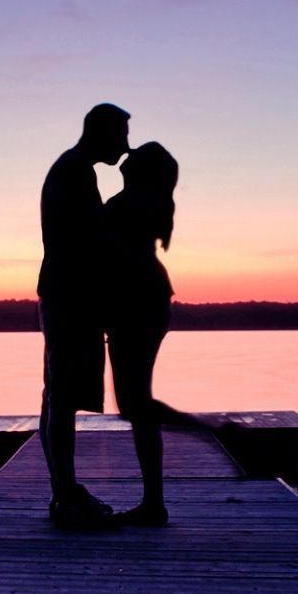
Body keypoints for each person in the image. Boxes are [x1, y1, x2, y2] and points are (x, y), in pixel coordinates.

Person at [38, 102, 128, 528]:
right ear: (102, 132)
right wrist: (120, 208)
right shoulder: (75, 171)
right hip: (70, 298)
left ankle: (65, 491)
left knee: (58, 395)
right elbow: (86, 239)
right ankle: (66, 497)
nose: (126, 148)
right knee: (62, 397)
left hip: (65, 295)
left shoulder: (72, 168)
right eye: (121, 137)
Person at [103, 140, 177, 526]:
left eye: (135, 157)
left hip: (136, 307)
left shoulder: (130, 204)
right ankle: (154, 501)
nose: (126, 156)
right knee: (135, 404)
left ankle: (154, 503)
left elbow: (103, 250)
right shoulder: (150, 203)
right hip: (148, 303)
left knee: (136, 404)